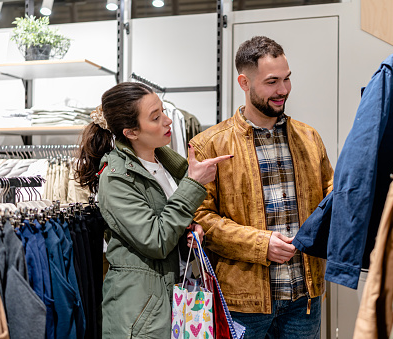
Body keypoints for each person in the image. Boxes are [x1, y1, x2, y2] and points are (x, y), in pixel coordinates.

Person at [189, 36, 334, 338]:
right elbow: (201, 219)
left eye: (286, 79)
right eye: (272, 82)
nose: (283, 90)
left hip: (304, 297)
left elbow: (330, 197)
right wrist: (260, 244)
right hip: (242, 301)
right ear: (244, 82)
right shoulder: (209, 144)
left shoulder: (309, 138)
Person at [74, 82, 232, 338]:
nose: (168, 121)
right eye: (156, 117)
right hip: (139, 316)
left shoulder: (167, 165)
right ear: (131, 132)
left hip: (172, 301)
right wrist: (193, 184)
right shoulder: (116, 179)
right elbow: (155, 239)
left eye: (164, 112)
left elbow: (170, 222)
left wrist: (191, 231)